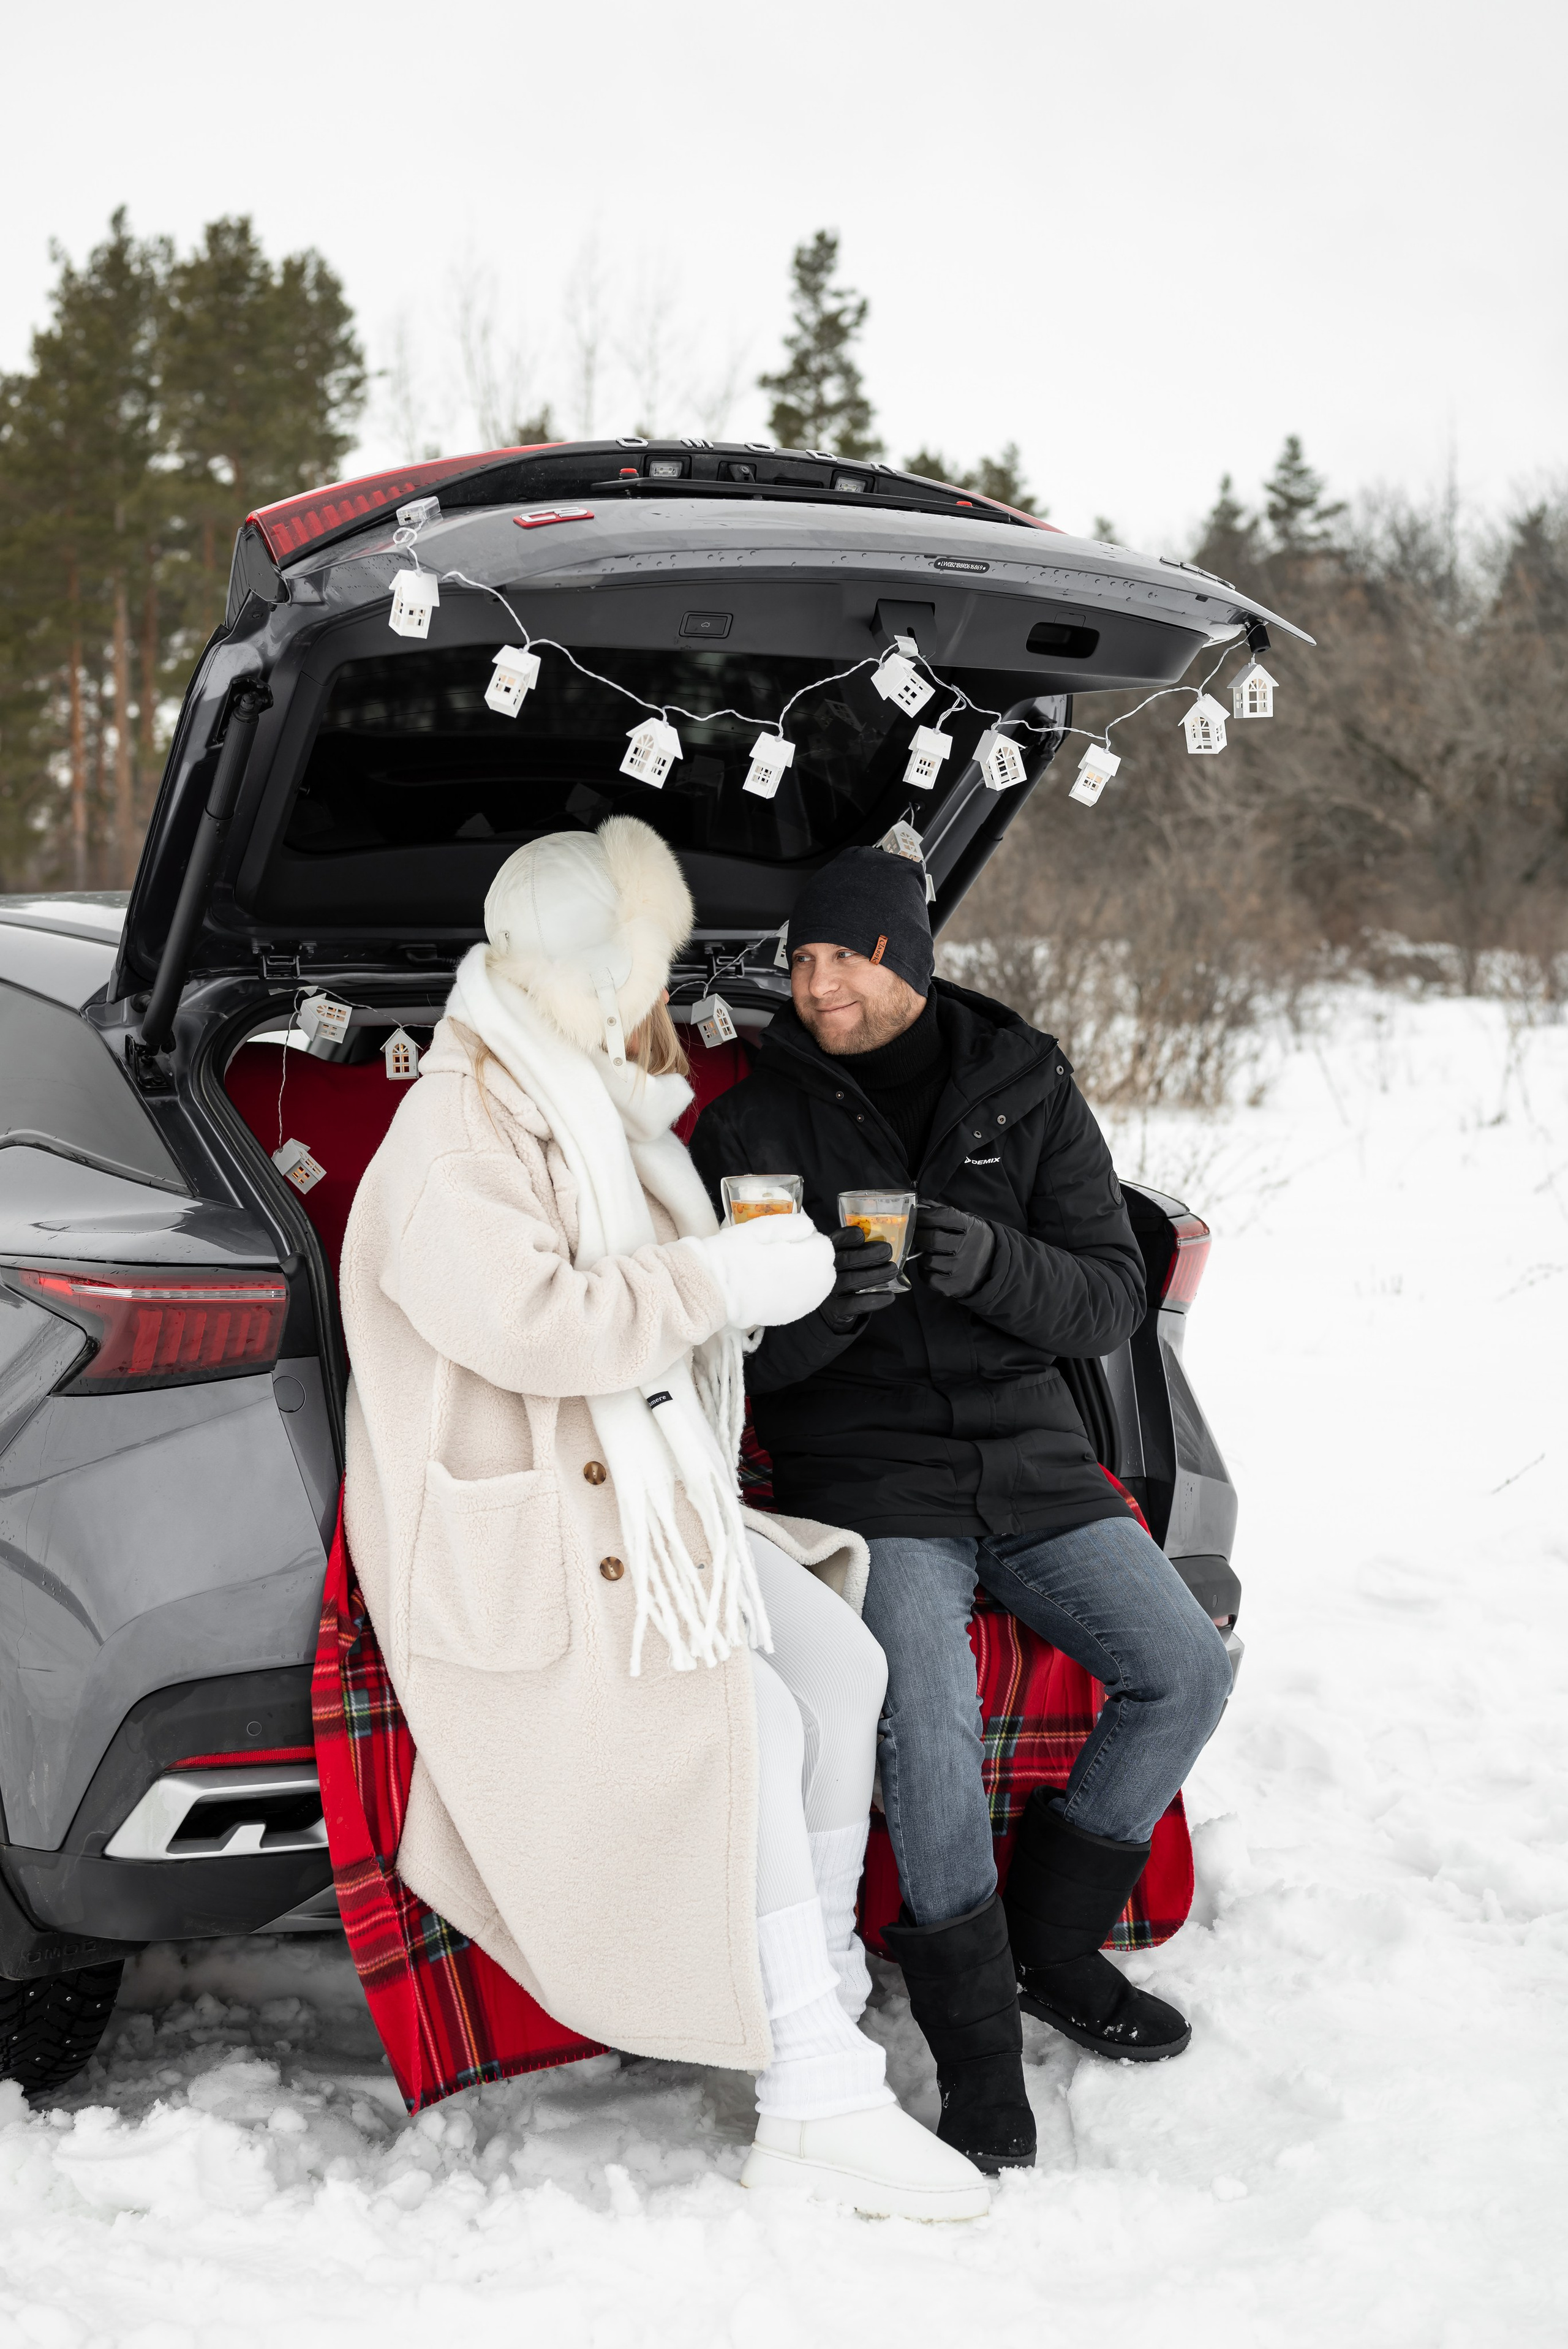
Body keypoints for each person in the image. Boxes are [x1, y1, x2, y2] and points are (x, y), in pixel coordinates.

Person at [339, 816, 990, 2222]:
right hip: (522, 1545)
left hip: (638, 1496)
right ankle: (817, 2092)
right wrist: (716, 1285)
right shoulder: (455, 1127)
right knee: (739, 1721)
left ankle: (805, 2024)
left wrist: (746, 1270)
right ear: (578, 982)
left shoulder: (574, 1099)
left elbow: (651, 1293)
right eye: (637, 981)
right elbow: (532, 1320)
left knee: (842, 1664)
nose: (659, 1011)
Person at [692, 842, 1234, 2174]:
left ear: (906, 961)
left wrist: (987, 1262)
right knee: (924, 1722)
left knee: (1181, 1670)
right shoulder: (753, 1126)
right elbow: (736, 1360)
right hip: (870, 1477)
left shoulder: (1021, 1087)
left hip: (1031, 1456)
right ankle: (978, 2054)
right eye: (801, 961)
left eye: (845, 961)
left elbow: (1107, 1296)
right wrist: (833, 1307)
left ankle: (1055, 1942)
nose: (817, 989)